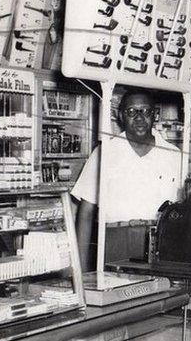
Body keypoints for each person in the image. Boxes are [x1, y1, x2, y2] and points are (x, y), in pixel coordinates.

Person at [71, 88, 181, 270]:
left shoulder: (174, 155)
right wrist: (80, 270)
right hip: (115, 242)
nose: (139, 117)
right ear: (120, 116)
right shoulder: (104, 153)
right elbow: (86, 213)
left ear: (155, 115)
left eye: (145, 111)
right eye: (131, 112)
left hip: (162, 244)